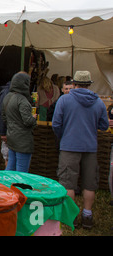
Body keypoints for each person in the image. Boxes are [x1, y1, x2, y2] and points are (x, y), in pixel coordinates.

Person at [52, 71, 109, 229]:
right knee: (89, 184)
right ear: (89, 84)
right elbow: (104, 126)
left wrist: (64, 136)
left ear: (75, 84)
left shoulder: (64, 100)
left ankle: (72, 216)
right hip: (90, 147)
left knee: (68, 183)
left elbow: (56, 124)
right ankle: (87, 215)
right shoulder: (98, 102)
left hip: (69, 146)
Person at [1, 72, 37, 172]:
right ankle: (19, 188)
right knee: (22, 172)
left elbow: (4, 117)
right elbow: (28, 121)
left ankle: (6, 186)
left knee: (10, 167)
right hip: (23, 141)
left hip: (11, 136)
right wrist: (34, 118)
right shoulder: (22, 100)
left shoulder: (7, 96)